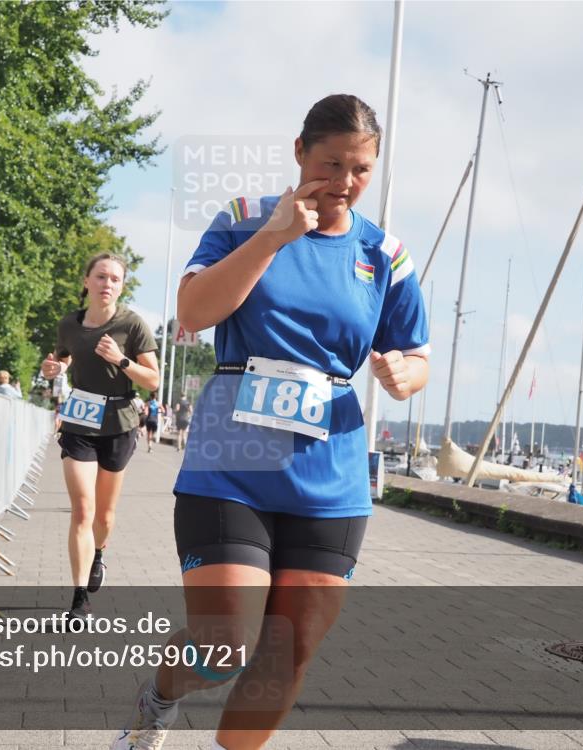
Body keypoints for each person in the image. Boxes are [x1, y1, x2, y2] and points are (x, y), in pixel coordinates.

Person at [110, 94, 430, 750]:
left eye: (362, 169)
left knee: (288, 653)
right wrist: (275, 237)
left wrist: (404, 374)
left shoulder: (385, 254)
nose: (345, 182)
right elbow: (194, 313)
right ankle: (159, 696)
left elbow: (418, 355)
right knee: (227, 645)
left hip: (331, 470)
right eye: (331, 163)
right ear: (299, 152)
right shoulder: (243, 219)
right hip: (234, 462)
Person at [40, 253, 159, 620]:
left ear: (121, 286)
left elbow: (153, 381)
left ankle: (99, 553)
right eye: (102, 277)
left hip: (119, 422)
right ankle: (79, 601)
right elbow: (63, 357)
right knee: (83, 510)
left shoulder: (132, 324)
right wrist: (55, 368)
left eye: (116, 279)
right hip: (79, 421)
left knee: (104, 516)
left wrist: (121, 360)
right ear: (87, 281)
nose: (108, 284)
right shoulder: (69, 325)